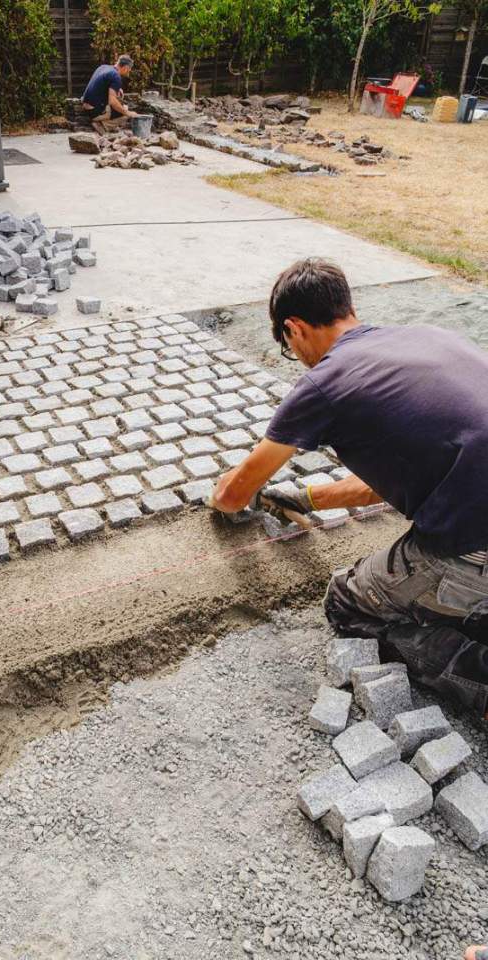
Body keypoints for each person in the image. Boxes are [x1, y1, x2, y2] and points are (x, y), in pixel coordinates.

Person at [209, 257, 488, 720]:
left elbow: (233, 497)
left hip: (475, 550)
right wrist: (307, 498)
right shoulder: (428, 336)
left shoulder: (325, 382)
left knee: (349, 602)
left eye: (287, 345)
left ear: (294, 329)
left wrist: (223, 494)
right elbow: (392, 477)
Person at [81, 54, 138, 133]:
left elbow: (101, 83)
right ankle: (103, 125)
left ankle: (106, 123)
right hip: (94, 112)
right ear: (125, 68)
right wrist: (128, 113)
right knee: (125, 111)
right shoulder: (116, 76)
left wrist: (117, 88)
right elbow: (112, 102)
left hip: (86, 107)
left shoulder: (103, 67)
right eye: (129, 70)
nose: (128, 73)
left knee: (120, 104)